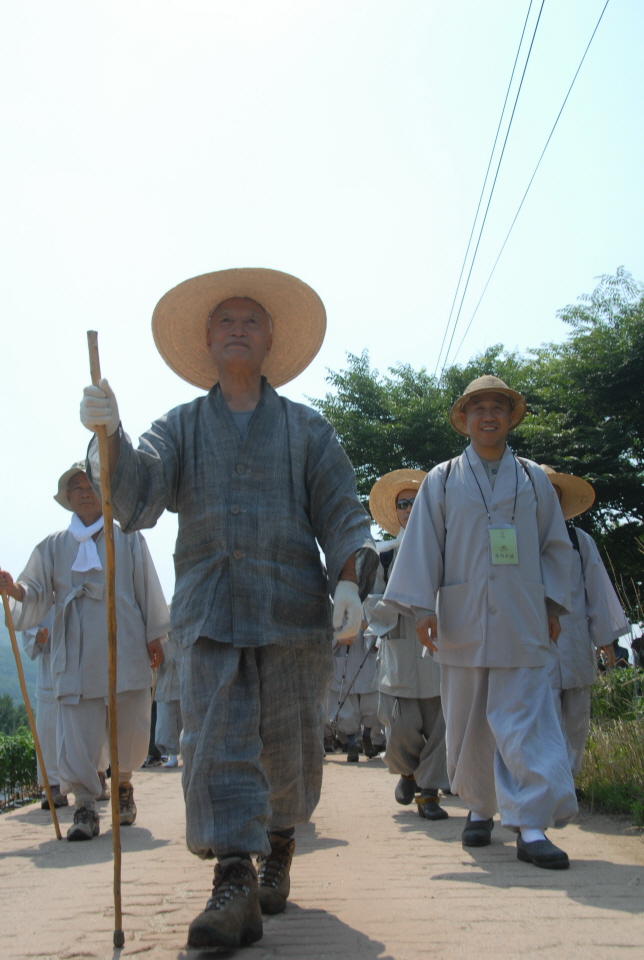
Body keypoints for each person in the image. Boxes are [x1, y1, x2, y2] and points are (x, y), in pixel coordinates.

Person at [79, 267, 376, 950]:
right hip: (210, 611)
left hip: (293, 612)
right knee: (214, 742)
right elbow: (137, 501)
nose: (237, 330)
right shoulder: (178, 428)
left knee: (289, 748)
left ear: (271, 339)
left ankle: (278, 846)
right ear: (207, 342)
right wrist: (111, 437)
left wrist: (351, 582)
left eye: (250, 321)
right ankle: (233, 880)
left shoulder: (308, 430)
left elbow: (342, 512)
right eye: (225, 322)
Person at [383, 376, 578, 869]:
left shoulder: (534, 479)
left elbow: (556, 547)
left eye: (498, 407)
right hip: (463, 617)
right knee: (469, 722)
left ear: (511, 417)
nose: (488, 415)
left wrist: (553, 606)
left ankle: (531, 827)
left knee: (526, 721)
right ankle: (479, 808)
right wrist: (423, 608)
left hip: (523, 618)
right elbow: (424, 545)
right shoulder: (443, 479)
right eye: (478, 408)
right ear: (464, 419)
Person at [0, 462, 170, 841]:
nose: (83, 492)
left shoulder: (127, 537)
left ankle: (122, 785)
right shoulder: (53, 546)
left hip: (122, 641)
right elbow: (36, 591)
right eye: (74, 487)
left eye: (89, 484)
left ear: (103, 491)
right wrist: (14, 591)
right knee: (76, 726)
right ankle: (85, 806)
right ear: (67, 499)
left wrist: (154, 637)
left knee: (129, 719)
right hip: (75, 648)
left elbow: (147, 588)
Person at [365, 469, 450, 821]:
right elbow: (370, 603)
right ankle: (406, 771)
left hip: (439, 651)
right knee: (399, 725)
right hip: (399, 651)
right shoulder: (382, 554)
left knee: (439, 727)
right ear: (395, 512)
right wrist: (401, 603)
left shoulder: (448, 549)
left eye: (417, 502)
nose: (410, 509)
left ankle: (429, 793)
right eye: (403, 504)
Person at [540, 465, 630, 776]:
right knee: (543, 715)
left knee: (577, 718)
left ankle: (570, 779)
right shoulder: (519, 542)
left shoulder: (579, 541)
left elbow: (598, 593)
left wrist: (606, 641)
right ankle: (549, 781)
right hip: (536, 645)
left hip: (576, 643)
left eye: (555, 493)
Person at [327, 625, 381, 762]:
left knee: (373, 707)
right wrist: (339, 640)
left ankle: (366, 736)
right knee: (347, 710)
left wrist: (368, 629)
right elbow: (324, 636)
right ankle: (352, 745)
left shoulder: (371, 605)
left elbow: (380, 635)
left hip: (367, 666)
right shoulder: (335, 607)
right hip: (344, 664)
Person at [154, 622, 183, 768]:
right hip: (167, 680)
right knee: (166, 722)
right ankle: (171, 754)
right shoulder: (161, 627)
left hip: (185, 676)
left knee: (187, 719)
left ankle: (189, 753)